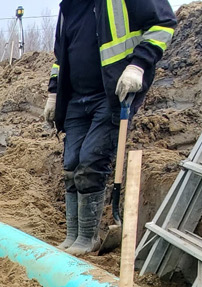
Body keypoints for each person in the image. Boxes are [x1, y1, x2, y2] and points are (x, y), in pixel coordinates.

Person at [44, 0, 176, 255]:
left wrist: (138, 65)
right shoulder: (69, 6)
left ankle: (87, 238)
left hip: (111, 94)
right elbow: (61, 55)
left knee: (91, 162)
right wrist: (53, 91)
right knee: (71, 165)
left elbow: (164, 23)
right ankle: (72, 235)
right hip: (74, 98)